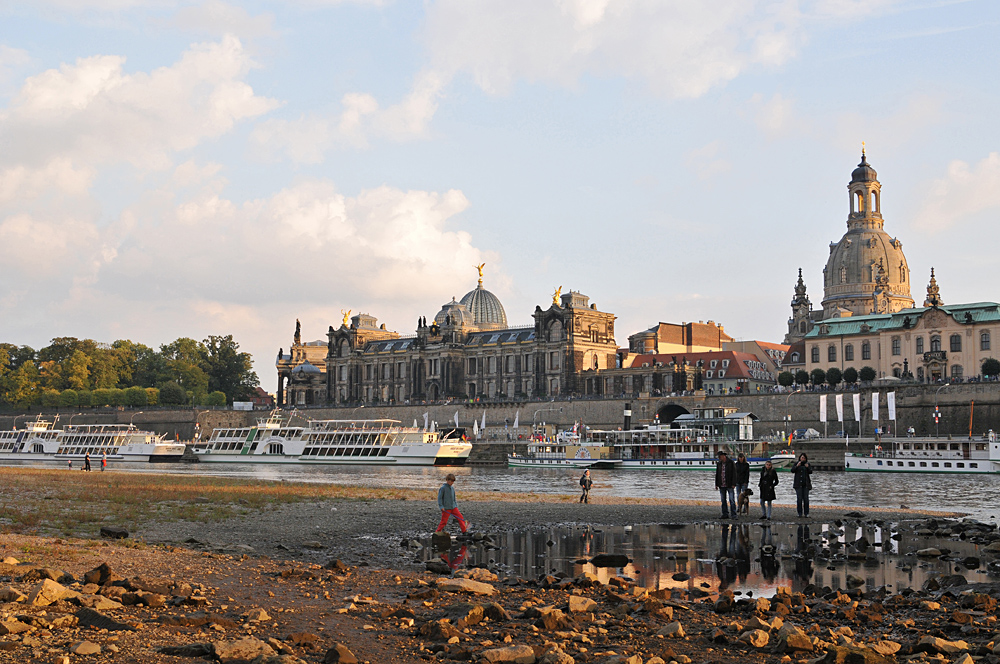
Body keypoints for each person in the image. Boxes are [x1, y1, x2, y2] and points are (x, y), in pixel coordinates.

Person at [714, 451, 736, 519]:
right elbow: (717, 474)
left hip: (729, 484)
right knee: (723, 500)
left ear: (724, 456)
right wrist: (716, 484)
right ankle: (725, 513)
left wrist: (733, 483)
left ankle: (734, 514)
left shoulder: (731, 462)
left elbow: (734, 473)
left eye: (720, 456)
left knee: (731, 500)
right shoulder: (719, 464)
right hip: (722, 484)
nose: (719, 458)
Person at [791, 453, 812, 518]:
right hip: (798, 484)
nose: (803, 459)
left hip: (805, 484)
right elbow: (792, 470)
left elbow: (811, 471)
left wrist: (807, 467)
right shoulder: (796, 464)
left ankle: (806, 513)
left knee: (806, 499)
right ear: (800, 458)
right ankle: (799, 513)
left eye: (804, 458)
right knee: (799, 499)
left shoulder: (807, 464)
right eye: (802, 457)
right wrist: (797, 466)